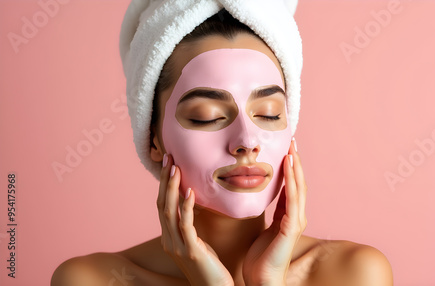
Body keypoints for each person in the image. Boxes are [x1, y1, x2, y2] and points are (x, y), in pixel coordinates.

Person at [51, 1, 393, 285]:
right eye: (206, 116)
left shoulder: (353, 273)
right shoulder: (91, 280)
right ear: (153, 138)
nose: (246, 141)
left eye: (269, 114)